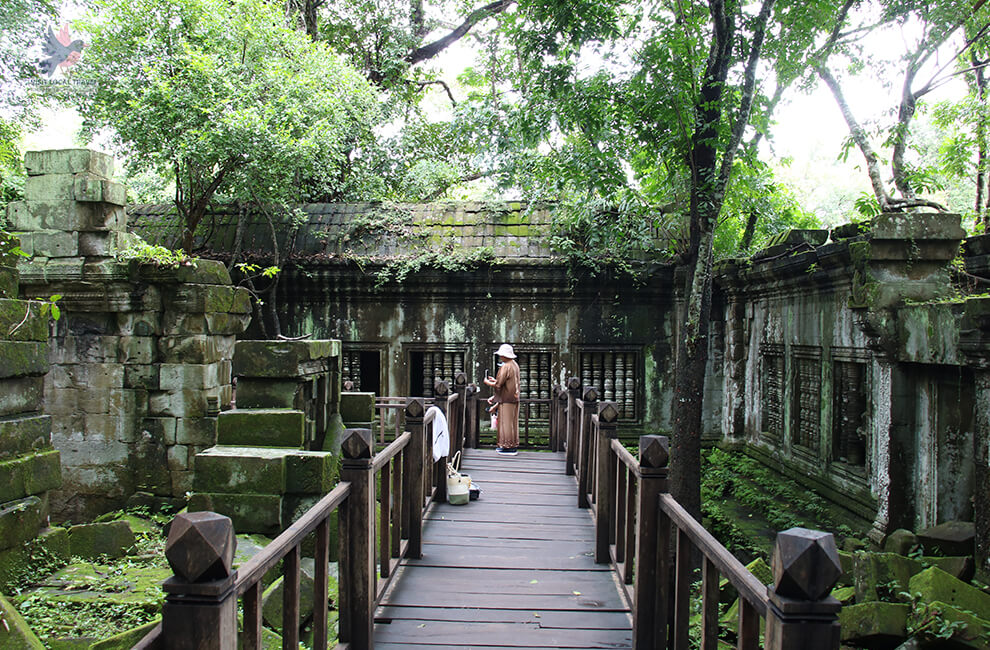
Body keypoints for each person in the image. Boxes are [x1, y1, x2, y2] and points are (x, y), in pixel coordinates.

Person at [484, 343, 520, 456]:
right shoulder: (514, 365)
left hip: (506, 399)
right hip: (514, 397)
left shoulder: (506, 366)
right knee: (512, 423)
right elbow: (507, 383)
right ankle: (513, 445)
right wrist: (495, 381)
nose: (500, 357)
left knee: (506, 424)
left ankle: (507, 447)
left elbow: (499, 385)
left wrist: (487, 382)